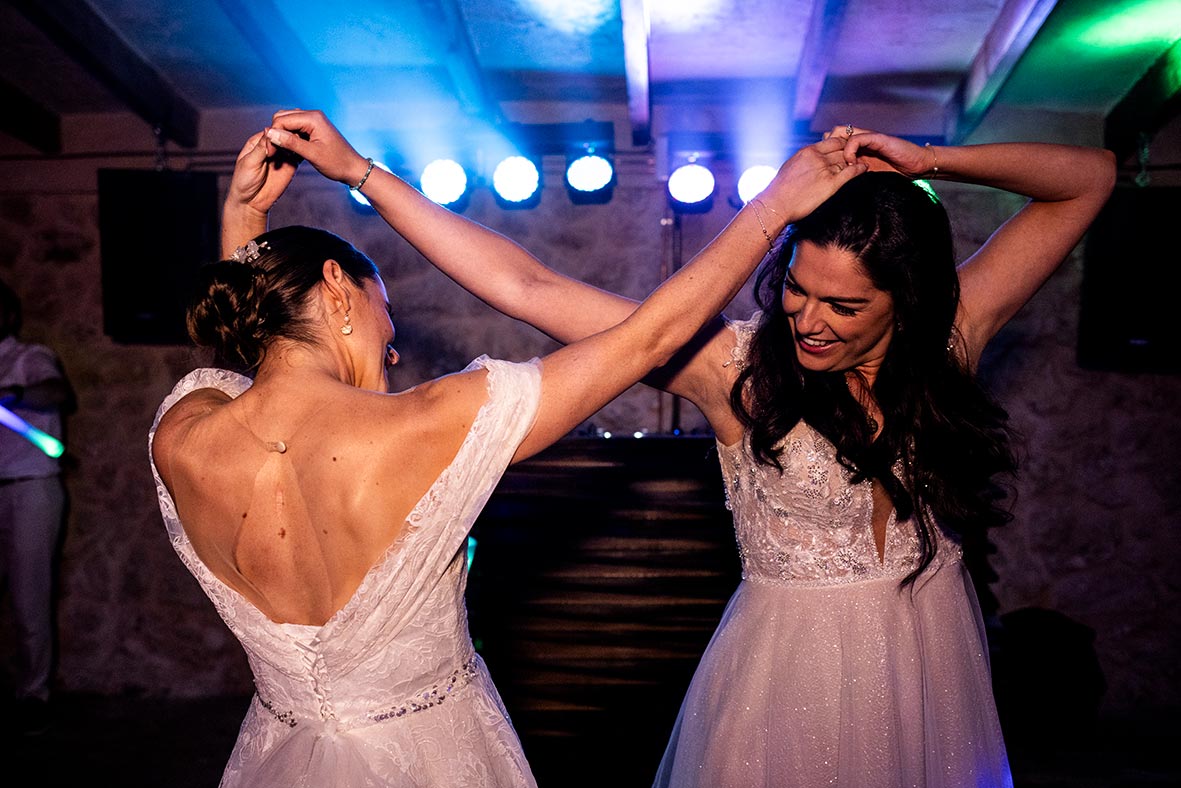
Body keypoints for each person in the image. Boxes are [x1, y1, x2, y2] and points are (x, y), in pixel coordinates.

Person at [278, 124, 1115, 786]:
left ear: (910, 302)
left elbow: (1091, 177)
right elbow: (526, 287)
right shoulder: (736, 372)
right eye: (796, 287)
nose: (809, 319)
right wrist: (362, 173)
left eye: (845, 305)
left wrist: (926, 157)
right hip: (788, 678)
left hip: (930, 665)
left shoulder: (950, 343)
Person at [150, 109, 865, 787]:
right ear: (338, 288)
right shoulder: (430, 428)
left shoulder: (182, 432)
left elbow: (259, 380)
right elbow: (648, 336)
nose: (390, 352)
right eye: (385, 322)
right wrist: (772, 208)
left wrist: (242, 224)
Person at [0, 278, 74, 737]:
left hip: (30, 488)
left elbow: (58, 394)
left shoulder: (30, 358)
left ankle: (34, 694)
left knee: (30, 594)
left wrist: (10, 396)